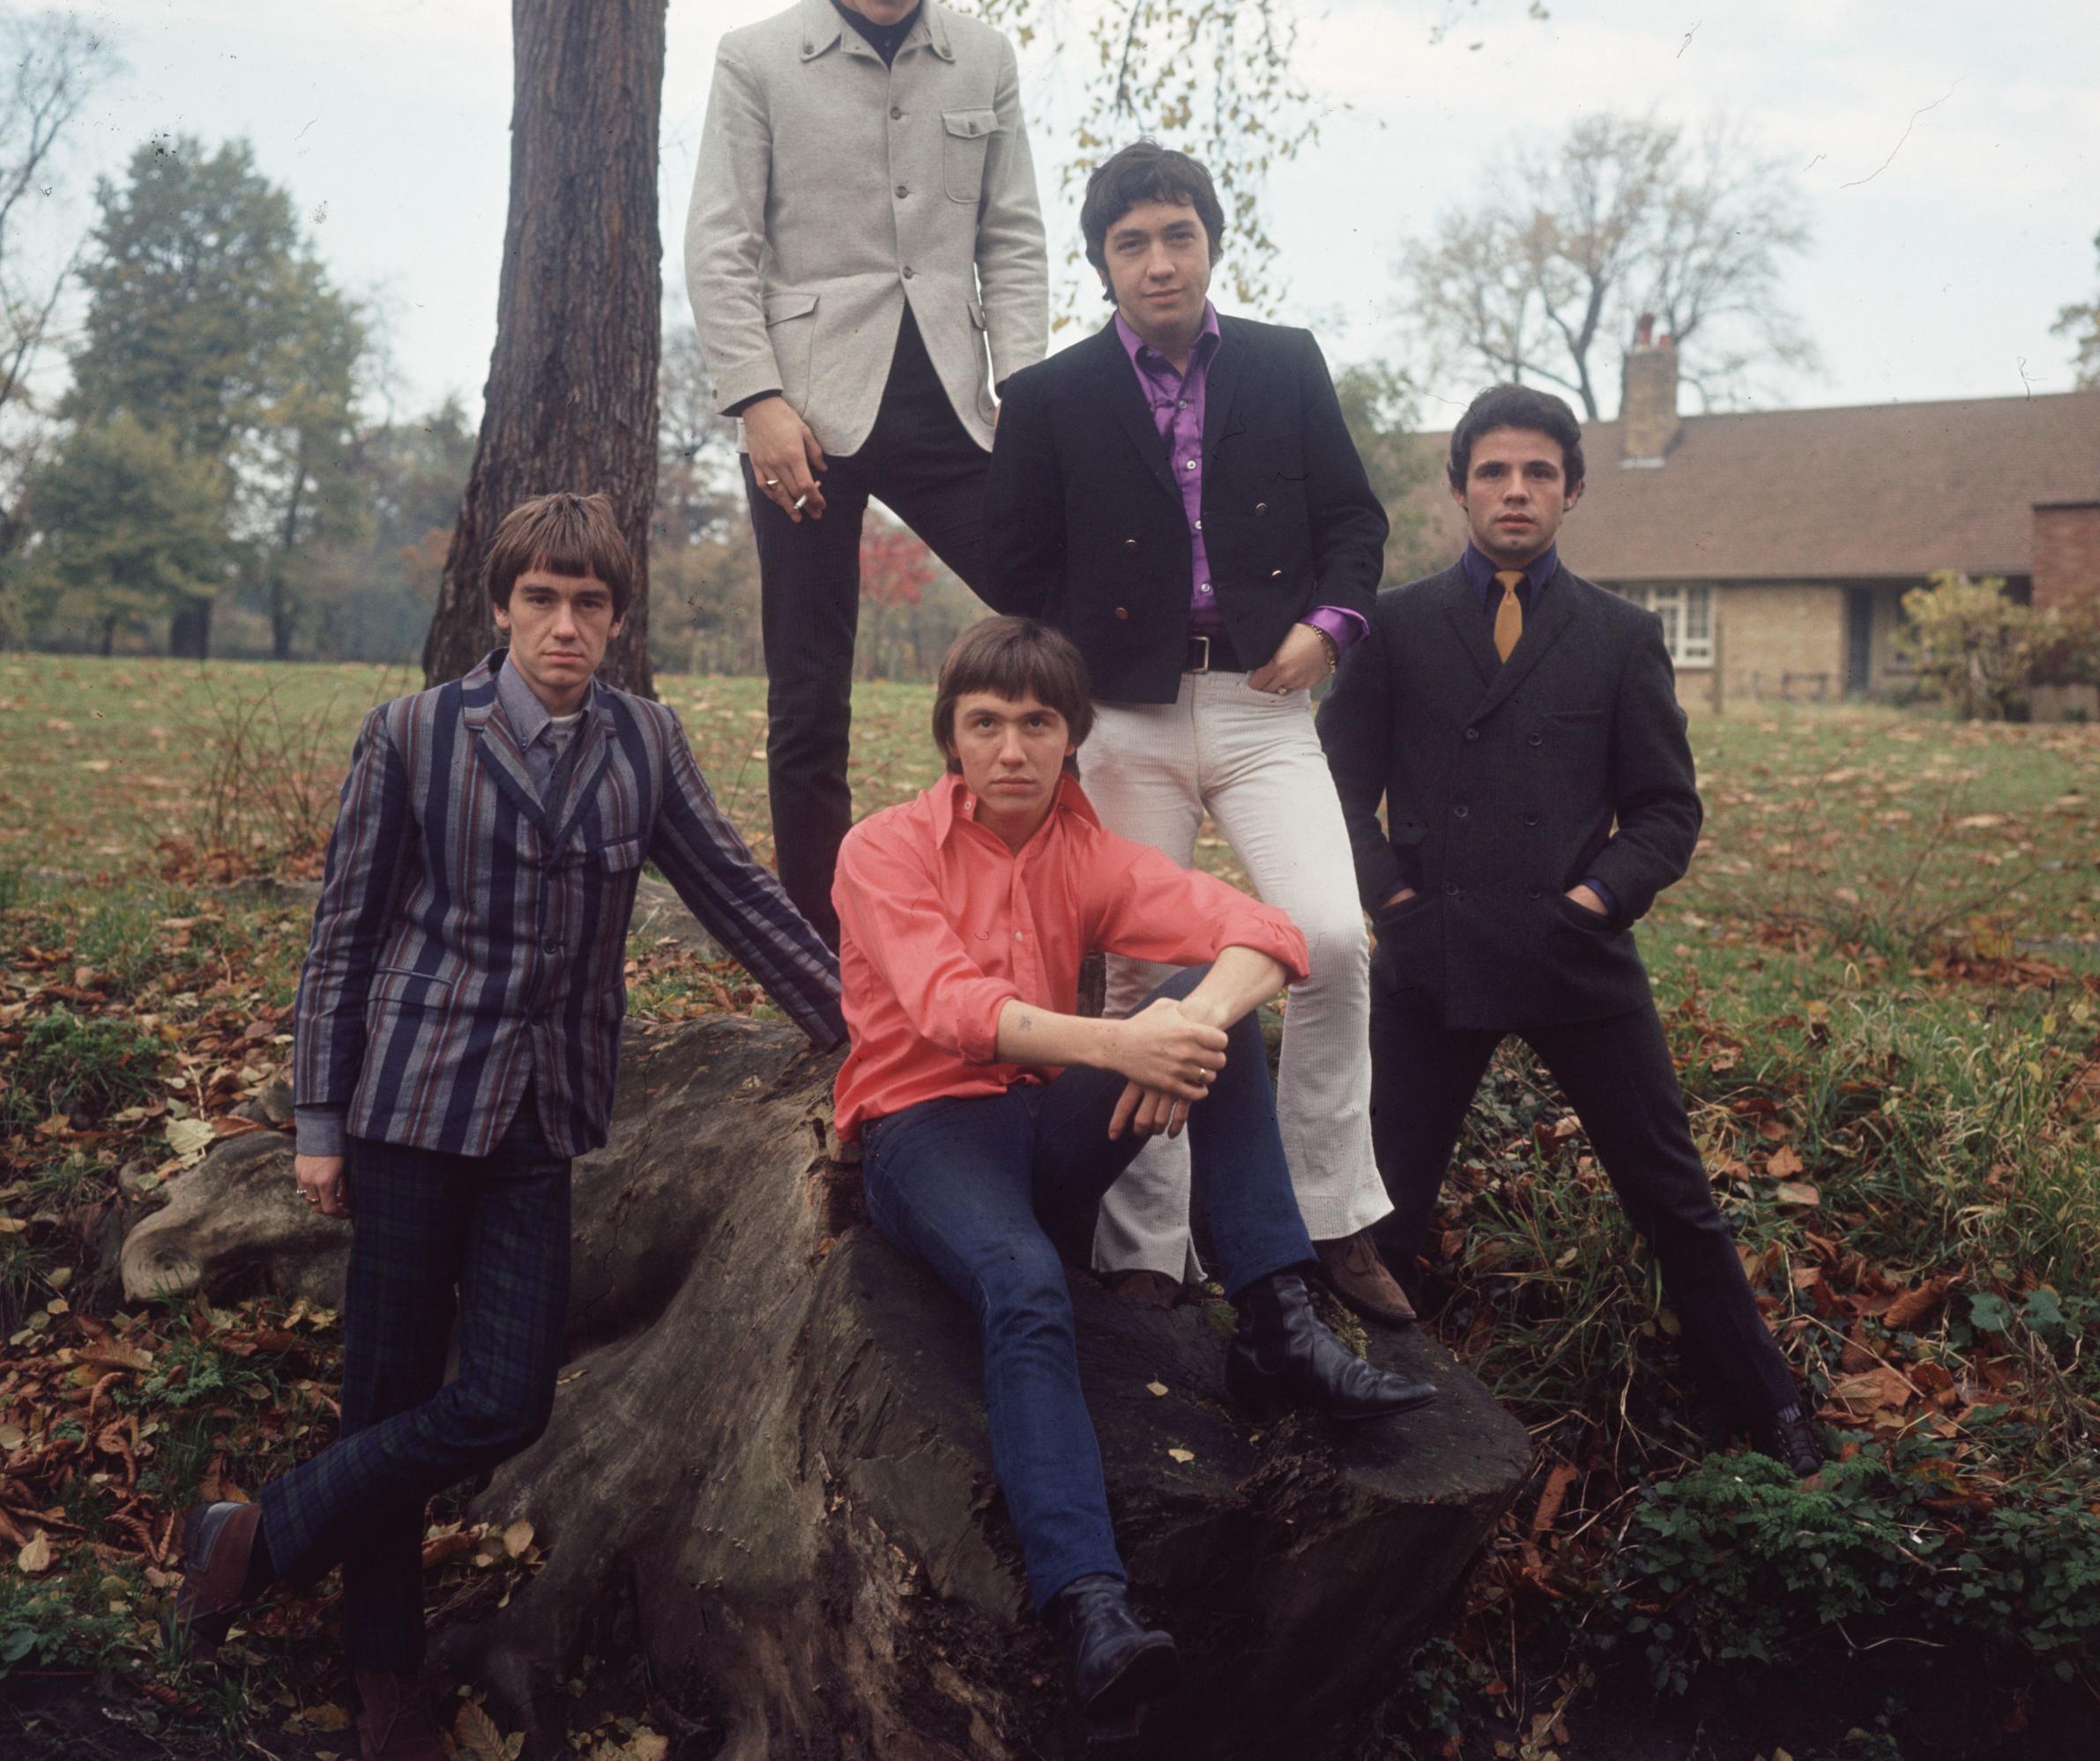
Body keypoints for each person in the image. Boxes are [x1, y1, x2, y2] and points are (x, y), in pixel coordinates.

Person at [173, 494, 846, 1761]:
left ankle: (258, 1532)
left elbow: (739, 895)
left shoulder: (645, 743)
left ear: (615, 620)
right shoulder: (417, 734)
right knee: (385, 1390)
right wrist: (319, 1119)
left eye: (590, 603)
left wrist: (859, 1028)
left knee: (504, 1398)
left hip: (546, 1109)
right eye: (540, 597)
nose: (565, 624)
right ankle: (384, 1676)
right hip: (411, 1105)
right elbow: (342, 940)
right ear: (499, 607)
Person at [834, 614, 1437, 1727]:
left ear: (1073, 738)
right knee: (1023, 1282)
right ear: (949, 737)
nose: (1010, 748)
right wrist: (1125, 1046)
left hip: (1051, 1127)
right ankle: (1089, 1602)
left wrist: (1190, 1026)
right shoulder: (885, 848)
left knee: (1214, 1020)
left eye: (1036, 723)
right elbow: (951, 1011)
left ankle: (1275, 1320)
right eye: (984, 724)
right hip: (924, 1136)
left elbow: (1271, 928)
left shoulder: (1091, 850)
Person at [1314, 385, 1821, 1477]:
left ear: (1573, 491)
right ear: (1457, 489)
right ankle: (1354, 1423)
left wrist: (1595, 899)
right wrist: (1393, 902)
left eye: (1538, 472)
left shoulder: (1620, 635)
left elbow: (1666, 810)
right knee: (1384, 1203)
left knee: (1674, 1197)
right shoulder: (1394, 628)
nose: (1514, 491)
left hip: (1577, 955)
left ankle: (1769, 1409)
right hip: (1432, 955)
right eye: (1492, 472)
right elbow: (1332, 790)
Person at [980, 144, 1410, 1326]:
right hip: (1124, 713)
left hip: (1266, 703)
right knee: (1137, 973)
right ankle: (1146, 1247)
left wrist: (1327, 626)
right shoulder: (1050, 397)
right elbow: (1022, 574)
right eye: (1131, 244)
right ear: (1100, 264)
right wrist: (1073, 706)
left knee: (1327, 936)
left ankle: (1330, 1215)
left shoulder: (1283, 364)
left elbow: (1353, 522)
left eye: (1177, 235)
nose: (1157, 262)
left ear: (1209, 242)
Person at [685, 0, 1050, 948]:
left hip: (955, 404)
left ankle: (1033, 899)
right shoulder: (755, 59)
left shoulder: (983, 57)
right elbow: (719, 244)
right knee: (807, 698)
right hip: (804, 422)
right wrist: (756, 400)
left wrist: (1029, 407)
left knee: (1061, 619)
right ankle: (825, 959)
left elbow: (1016, 239)